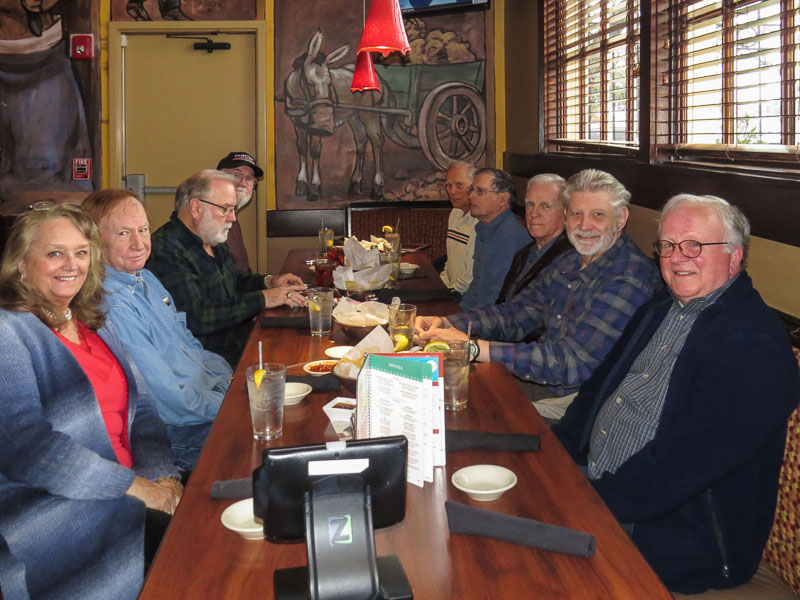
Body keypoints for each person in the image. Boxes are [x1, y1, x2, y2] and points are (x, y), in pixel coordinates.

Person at [552, 194, 799, 594]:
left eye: (694, 245)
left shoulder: (753, 344)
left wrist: (587, 503)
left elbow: (683, 464)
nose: (677, 257)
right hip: (603, 486)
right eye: (667, 246)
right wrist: (555, 455)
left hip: (675, 532)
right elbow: (600, 388)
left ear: (735, 256)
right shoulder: (663, 305)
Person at [0, 204, 181, 599]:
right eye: (54, 253)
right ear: (21, 265)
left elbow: (144, 410)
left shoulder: (93, 320)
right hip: (55, 503)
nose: (72, 265)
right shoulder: (8, 330)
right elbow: (28, 449)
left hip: (132, 484)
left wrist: (164, 477)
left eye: (81, 252)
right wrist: (135, 487)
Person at [415, 169, 662, 420]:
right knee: (436, 390)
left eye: (598, 215)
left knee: (465, 411)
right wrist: (446, 322)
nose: (585, 225)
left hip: (580, 401)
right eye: (577, 214)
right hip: (543, 381)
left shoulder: (629, 277)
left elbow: (571, 363)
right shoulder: (571, 259)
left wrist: (475, 350)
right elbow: (516, 313)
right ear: (566, 216)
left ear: (621, 219)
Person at [82, 189, 232, 472]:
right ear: (94, 242)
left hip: (204, 403)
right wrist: (231, 403)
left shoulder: (146, 278)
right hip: (174, 435)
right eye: (123, 234)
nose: (139, 243)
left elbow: (190, 346)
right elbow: (169, 402)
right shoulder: (111, 304)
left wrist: (230, 382)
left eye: (143, 230)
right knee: (270, 440)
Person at [147, 170, 307, 366]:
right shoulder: (166, 249)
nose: (232, 218)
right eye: (226, 209)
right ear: (196, 208)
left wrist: (269, 281)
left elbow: (234, 282)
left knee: (307, 340)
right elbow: (197, 317)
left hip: (239, 341)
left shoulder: (211, 237)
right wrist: (264, 298)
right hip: (208, 361)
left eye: (233, 209)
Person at [458, 168, 531, 309]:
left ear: (503, 199)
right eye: (471, 190)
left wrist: (465, 324)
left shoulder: (511, 237)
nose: (471, 196)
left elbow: (497, 299)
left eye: (480, 191)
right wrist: (455, 317)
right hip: (478, 317)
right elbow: (476, 286)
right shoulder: (483, 229)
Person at [497, 173, 572, 304]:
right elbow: (502, 303)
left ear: (566, 212)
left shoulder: (569, 260)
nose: (533, 214)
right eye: (530, 205)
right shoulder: (523, 254)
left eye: (545, 206)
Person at [216, 151, 263, 273]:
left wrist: (269, 281)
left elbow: (241, 276)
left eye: (249, 178)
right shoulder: (209, 221)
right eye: (236, 175)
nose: (242, 183)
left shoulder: (232, 218)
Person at [439, 161, 478, 294]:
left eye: (459, 185)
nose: (452, 191)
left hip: (463, 297)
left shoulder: (479, 221)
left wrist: (447, 296)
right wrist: (439, 287)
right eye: (449, 186)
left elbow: (469, 277)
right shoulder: (455, 213)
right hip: (450, 292)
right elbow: (449, 264)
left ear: (474, 187)